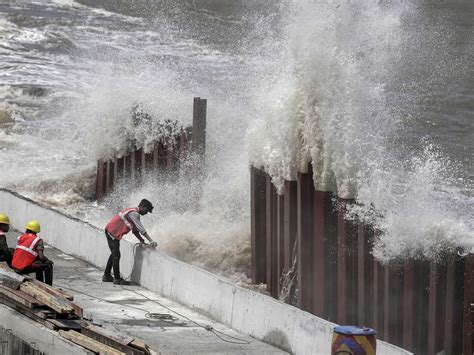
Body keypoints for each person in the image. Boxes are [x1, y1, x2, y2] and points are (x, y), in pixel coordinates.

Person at [103, 199, 157, 285]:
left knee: (114, 254)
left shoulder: (132, 212)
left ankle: (106, 276)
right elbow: (140, 228)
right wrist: (151, 240)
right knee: (116, 256)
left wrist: (141, 240)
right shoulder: (134, 214)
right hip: (112, 232)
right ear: (142, 207)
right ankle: (117, 279)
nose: (146, 213)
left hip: (111, 231)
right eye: (146, 211)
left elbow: (135, 230)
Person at [12, 220, 54, 286]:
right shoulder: (38, 240)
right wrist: (48, 261)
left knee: (38, 262)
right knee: (48, 265)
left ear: (27, 229)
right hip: (22, 269)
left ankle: (40, 281)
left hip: (14, 266)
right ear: (36, 231)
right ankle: (48, 285)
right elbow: (41, 257)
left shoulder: (21, 237)